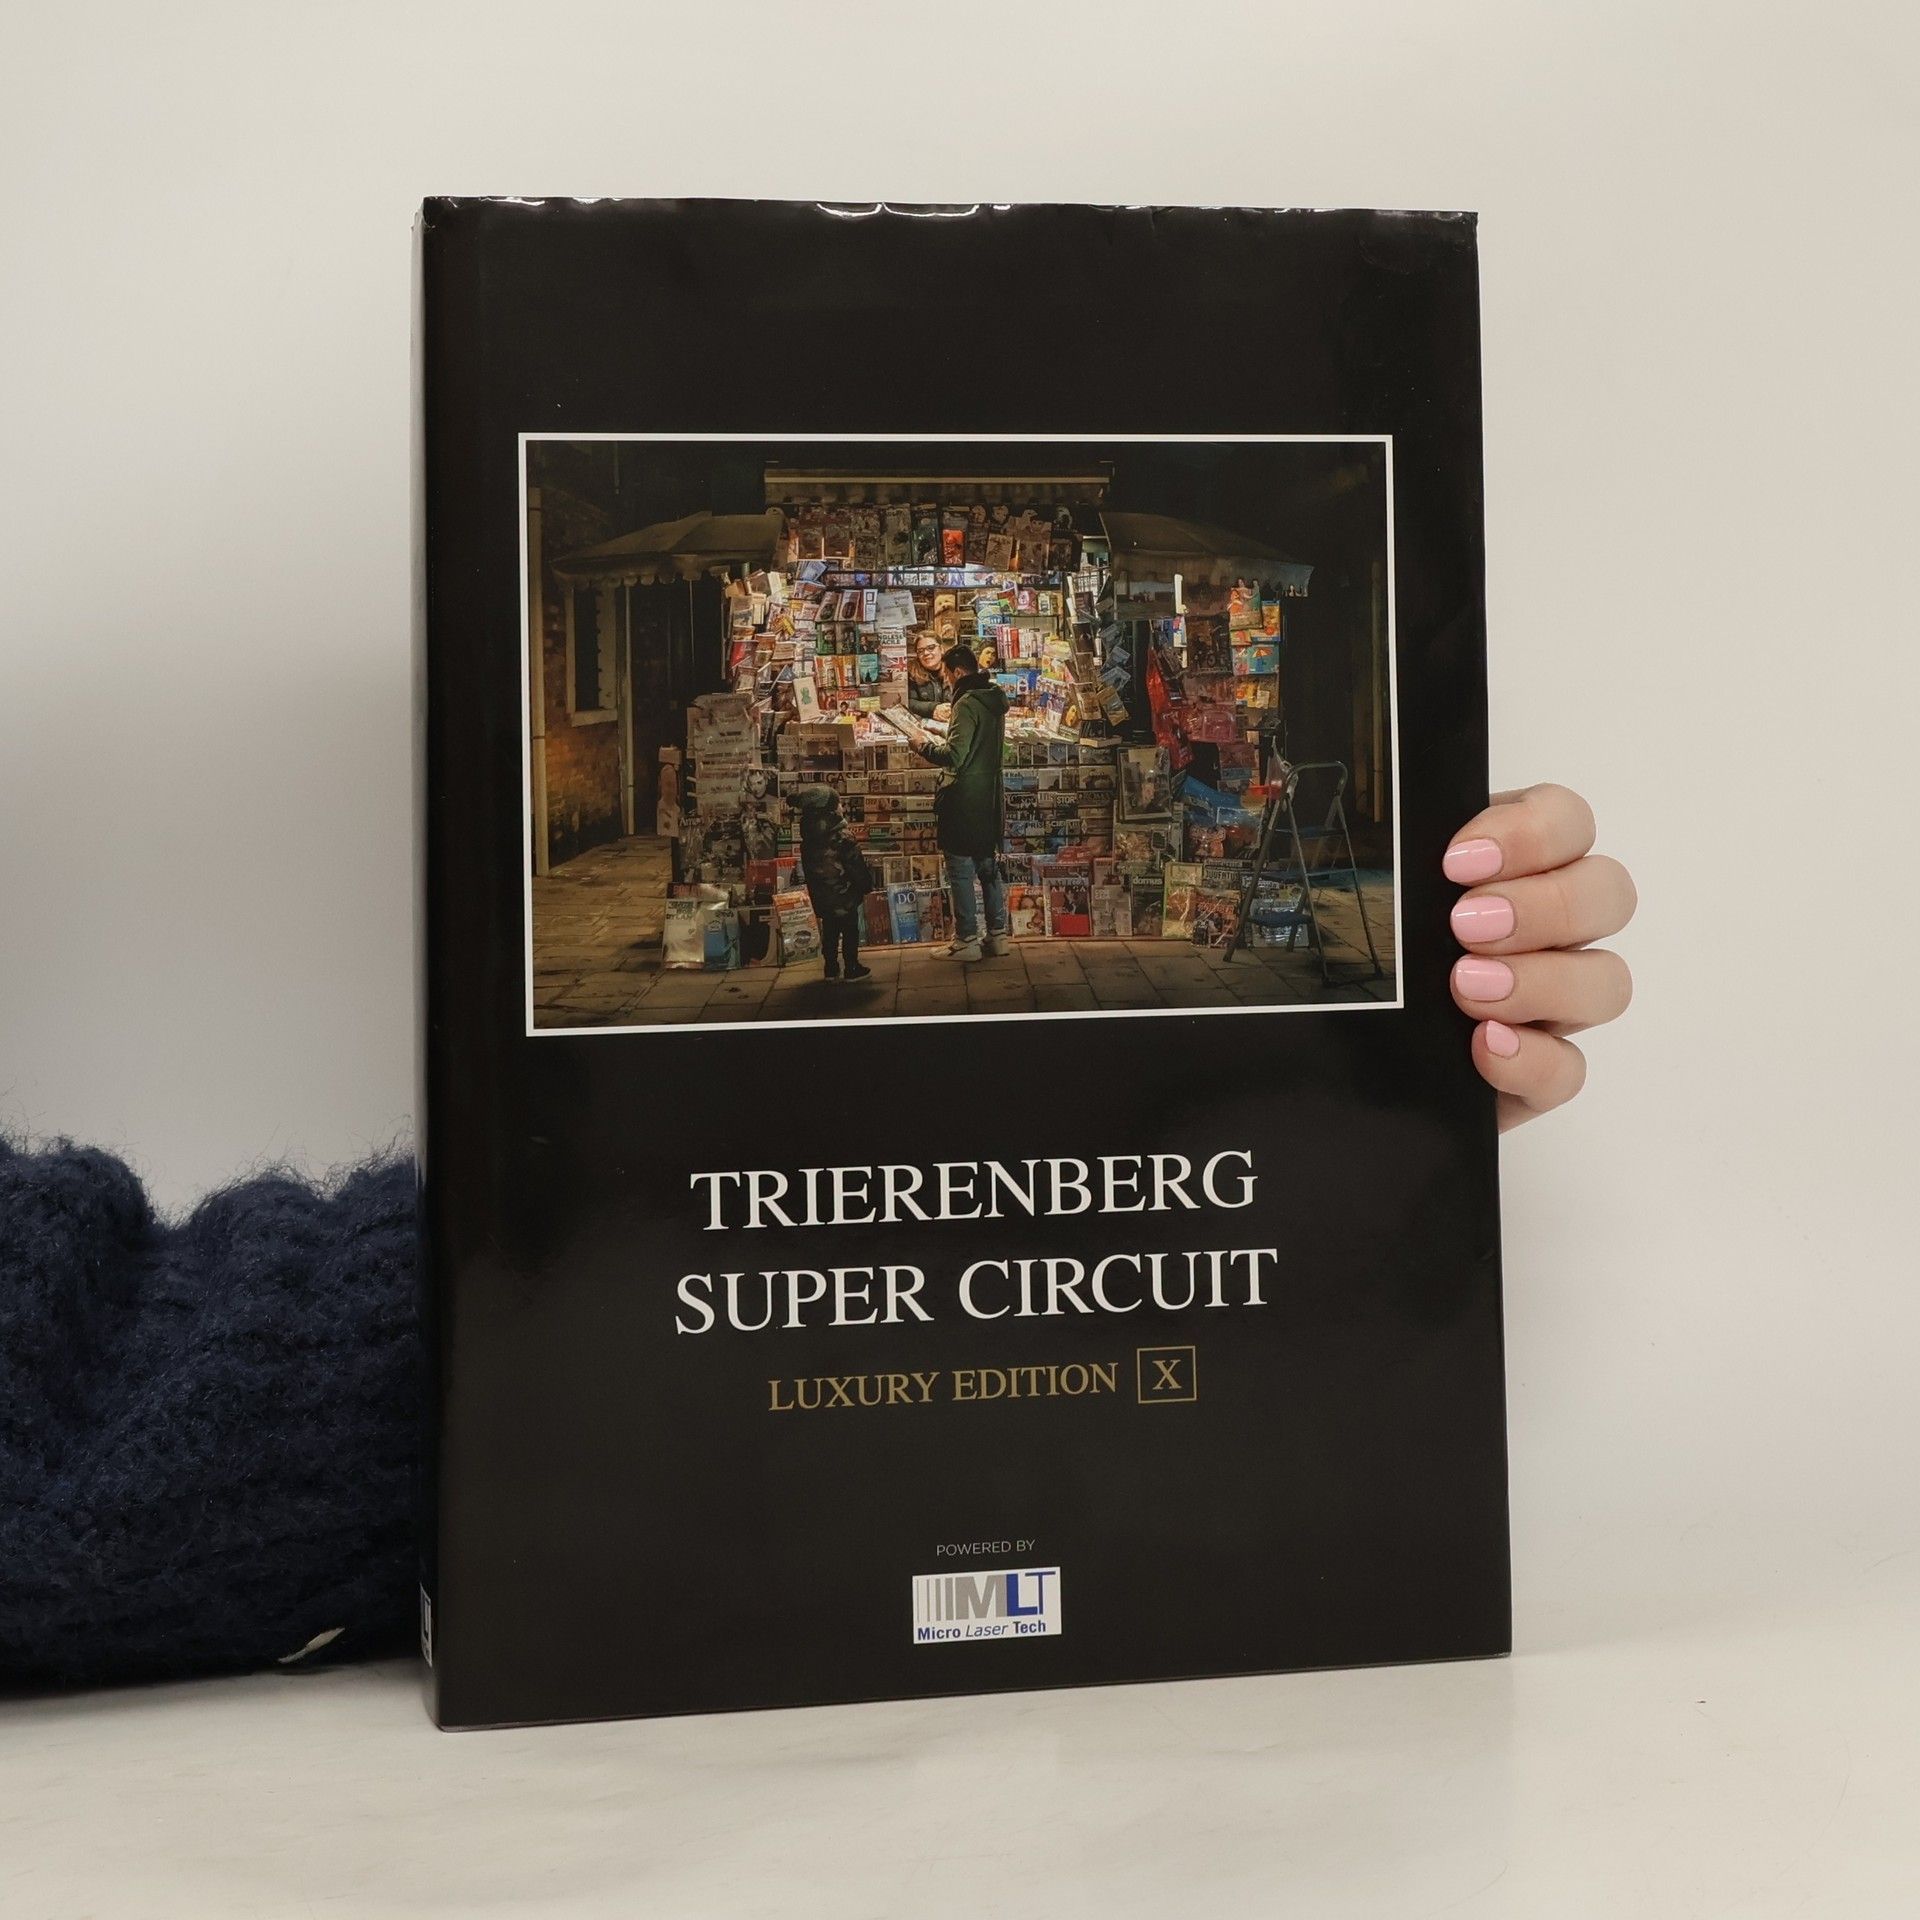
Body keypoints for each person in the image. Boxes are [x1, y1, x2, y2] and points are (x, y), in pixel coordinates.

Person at [904, 645, 1010, 962]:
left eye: (949, 676)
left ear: (959, 672)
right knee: (988, 868)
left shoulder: (966, 703)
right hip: (989, 796)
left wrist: (923, 746)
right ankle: (998, 935)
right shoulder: (993, 699)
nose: (948, 682)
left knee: (961, 869)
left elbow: (954, 755)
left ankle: (966, 941)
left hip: (964, 797)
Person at [793, 785, 874, 983]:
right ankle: (852, 967)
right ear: (829, 810)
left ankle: (830, 967)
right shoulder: (842, 836)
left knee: (830, 929)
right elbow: (855, 865)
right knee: (850, 929)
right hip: (844, 893)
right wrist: (865, 884)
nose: (842, 808)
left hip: (822, 894)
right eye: (838, 804)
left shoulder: (809, 837)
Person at [905, 631, 947, 720]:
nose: (926, 653)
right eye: (920, 651)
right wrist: (932, 708)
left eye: (931, 648)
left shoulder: (953, 670)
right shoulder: (911, 672)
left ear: (941, 649)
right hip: (924, 724)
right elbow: (908, 702)